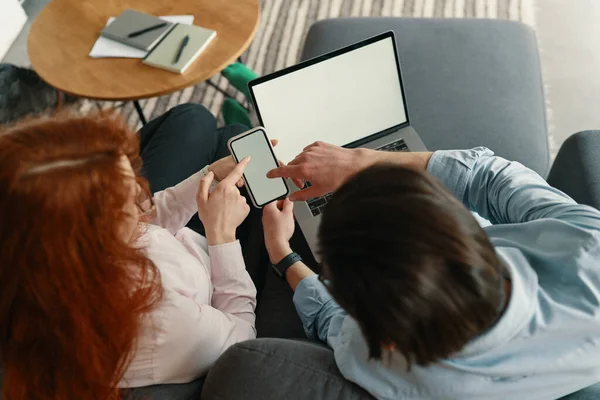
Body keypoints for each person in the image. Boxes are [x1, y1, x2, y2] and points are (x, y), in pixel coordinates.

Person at [260, 141, 600, 400]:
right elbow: (488, 175)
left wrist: (281, 251)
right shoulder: (590, 250)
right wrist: (360, 162)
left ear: (387, 340)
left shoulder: (396, 371)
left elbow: (328, 318)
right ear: (462, 224)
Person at [0, 104, 268, 399]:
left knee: (209, 126)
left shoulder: (43, 253)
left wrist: (207, 176)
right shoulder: (156, 319)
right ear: (86, 240)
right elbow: (243, 339)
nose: (142, 197)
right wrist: (223, 237)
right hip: (227, 287)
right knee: (214, 128)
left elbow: (145, 220)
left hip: (190, 245)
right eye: (127, 197)